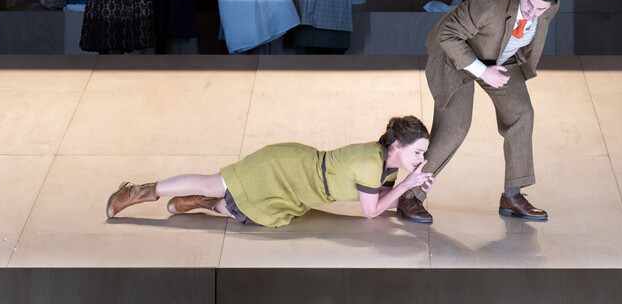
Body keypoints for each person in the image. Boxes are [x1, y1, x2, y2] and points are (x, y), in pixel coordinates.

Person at [396, 0, 562, 224]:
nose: (533, 13)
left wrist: (497, 67)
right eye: (529, 4)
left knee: (522, 114)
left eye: (541, 9)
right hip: (455, 58)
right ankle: (409, 197)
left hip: (500, 58)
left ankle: (512, 196)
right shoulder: (487, 3)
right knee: (455, 128)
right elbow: (447, 35)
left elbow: (529, 29)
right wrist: (483, 72)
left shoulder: (548, 5)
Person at [105, 115, 434, 227]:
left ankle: (198, 202)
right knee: (215, 183)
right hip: (285, 167)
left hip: (299, 190)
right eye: (417, 152)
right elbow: (371, 211)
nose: (421, 159)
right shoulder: (371, 162)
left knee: (244, 214)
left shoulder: (388, 166)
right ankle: (136, 192)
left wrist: (407, 186)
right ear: (396, 146)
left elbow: (383, 200)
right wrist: (408, 186)